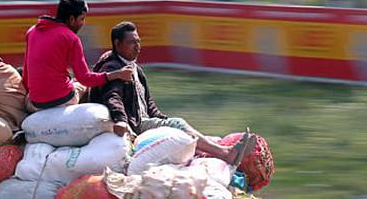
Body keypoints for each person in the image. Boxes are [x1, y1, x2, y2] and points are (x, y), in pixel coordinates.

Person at [90, 21, 255, 165]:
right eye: (132, 42)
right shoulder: (113, 68)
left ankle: (216, 150)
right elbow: (113, 97)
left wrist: (163, 119)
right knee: (178, 125)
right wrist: (121, 121)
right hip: (135, 125)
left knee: (179, 129)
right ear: (118, 45)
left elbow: (149, 103)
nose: (137, 46)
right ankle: (225, 154)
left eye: (138, 41)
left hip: (144, 120)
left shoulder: (136, 70)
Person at [22, 0, 133, 111]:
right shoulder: (71, 38)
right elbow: (85, 79)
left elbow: (26, 75)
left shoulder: (32, 31)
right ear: (71, 19)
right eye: (82, 19)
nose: (83, 23)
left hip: (35, 104)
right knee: (83, 86)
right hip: (62, 101)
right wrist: (116, 74)